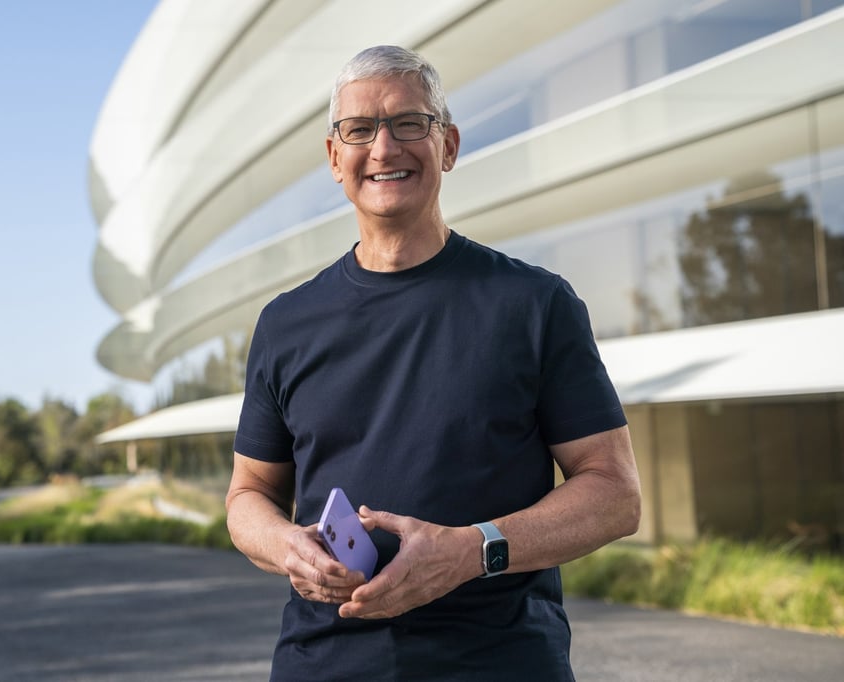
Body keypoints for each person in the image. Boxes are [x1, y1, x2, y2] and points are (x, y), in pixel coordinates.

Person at [226, 44, 641, 681]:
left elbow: (615, 494)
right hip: (324, 665)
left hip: (500, 665)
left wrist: (473, 550)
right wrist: (287, 546)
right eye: (360, 130)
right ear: (336, 159)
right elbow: (249, 494)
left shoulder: (534, 303)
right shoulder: (286, 323)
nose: (384, 149)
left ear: (447, 145)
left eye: (409, 124)